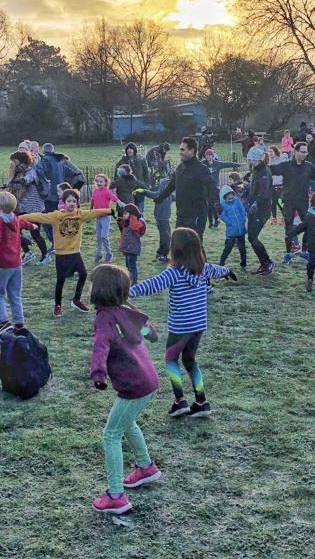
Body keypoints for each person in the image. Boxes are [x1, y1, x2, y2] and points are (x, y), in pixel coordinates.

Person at [129, 228, 234, 419]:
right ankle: (201, 401)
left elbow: (152, 284)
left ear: (175, 248)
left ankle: (180, 401)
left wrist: (127, 292)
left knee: (170, 360)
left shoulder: (174, 273)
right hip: (198, 326)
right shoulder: (204, 269)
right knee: (190, 361)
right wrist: (228, 271)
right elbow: (218, 270)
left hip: (180, 327)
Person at [89, 264, 162, 515]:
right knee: (126, 422)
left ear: (99, 289)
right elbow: (145, 330)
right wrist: (149, 334)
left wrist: (98, 374)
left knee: (111, 434)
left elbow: (101, 347)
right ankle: (145, 468)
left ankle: (116, 496)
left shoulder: (105, 319)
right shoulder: (126, 311)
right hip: (149, 381)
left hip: (135, 385)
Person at [20, 189, 114, 316]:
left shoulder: (80, 214)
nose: (72, 203)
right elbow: (38, 216)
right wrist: (18, 218)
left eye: (74, 201)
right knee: (61, 280)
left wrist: (109, 211)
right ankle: (58, 305)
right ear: (63, 202)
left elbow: (94, 212)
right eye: (69, 201)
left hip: (75, 252)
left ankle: (76, 300)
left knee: (83, 274)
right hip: (61, 254)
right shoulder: (56, 216)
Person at [269, 141, 315, 259]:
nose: (305, 154)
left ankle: (304, 251)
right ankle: (288, 253)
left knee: (308, 226)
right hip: (288, 201)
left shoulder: (308, 167)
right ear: (295, 152)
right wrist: (258, 166)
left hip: (303, 201)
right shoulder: (286, 166)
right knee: (289, 227)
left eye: (306, 152)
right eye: (302, 152)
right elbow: (270, 169)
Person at [150, 137, 219, 238]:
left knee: (194, 246)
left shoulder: (201, 169)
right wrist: (160, 198)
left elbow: (212, 187)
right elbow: (172, 186)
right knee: (179, 245)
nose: (180, 152)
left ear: (192, 151)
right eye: (180, 149)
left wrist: (216, 203)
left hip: (196, 215)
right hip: (181, 215)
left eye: (183, 149)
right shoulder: (179, 168)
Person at [0, 191, 36, 335]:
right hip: (17, 263)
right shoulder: (14, 218)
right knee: (15, 294)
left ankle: (3, 322)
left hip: (3, 264)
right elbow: (22, 222)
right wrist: (31, 226)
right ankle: (19, 324)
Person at [6, 150, 50, 265]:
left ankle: (45, 255)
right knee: (16, 231)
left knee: (35, 233)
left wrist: (17, 180)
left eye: (15, 162)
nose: (13, 164)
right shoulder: (16, 173)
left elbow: (27, 180)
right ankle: (28, 252)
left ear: (21, 162)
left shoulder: (32, 171)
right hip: (20, 208)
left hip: (34, 208)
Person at [245, 148, 276, 275]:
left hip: (261, 210)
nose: (248, 160)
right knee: (251, 238)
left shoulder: (264, 172)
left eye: (249, 158)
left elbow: (264, 193)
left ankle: (268, 262)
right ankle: (264, 264)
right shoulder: (256, 171)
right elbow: (254, 189)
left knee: (252, 237)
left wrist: (256, 204)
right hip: (253, 209)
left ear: (255, 159)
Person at [90, 173, 119, 264]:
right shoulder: (95, 191)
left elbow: (112, 197)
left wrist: (118, 201)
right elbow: (93, 200)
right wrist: (90, 209)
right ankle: (98, 254)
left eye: (101, 181)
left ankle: (109, 253)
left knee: (104, 236)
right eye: (97, 181)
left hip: (106, 217)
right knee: (98, 237)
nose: (99, 183)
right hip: (98, 217)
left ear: (105, 182)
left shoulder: (106, 191)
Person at [217, 184, 247, 270]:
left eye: (232, 196)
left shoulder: (237, 201)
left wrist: (243, 219)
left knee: (242, 248)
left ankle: (243, 263)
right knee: (228, 247)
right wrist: (229, 222)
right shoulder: (222, 204)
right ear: (224, 197)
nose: (231, 199)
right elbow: (222, 215)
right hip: (231, 230)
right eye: (228, 198)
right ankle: (221, 262)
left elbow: (242, 210)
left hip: (241, 229)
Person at [116, 142, 150, 211]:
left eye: (131, 148)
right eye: (128, 149)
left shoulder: (141, 160)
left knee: (139, 210)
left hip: (139, 187)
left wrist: (146, 185)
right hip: (127, 190)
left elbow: (146, 173)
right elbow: (116, 176)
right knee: (128, 210)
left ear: (135, 150)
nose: (129, 150)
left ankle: (139, 221)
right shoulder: (122, 161)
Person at [117, 203, 146, 284]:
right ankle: (129, 280)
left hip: (132, 249)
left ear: (131, 215)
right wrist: (121, 220)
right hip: (127, 248)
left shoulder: (134, 222)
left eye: (125, 213)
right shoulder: (128, 222)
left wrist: (133, 217)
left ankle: (134, 282)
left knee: (132, 266)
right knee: (128, 266)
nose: (123, 214)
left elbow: (134, 227)